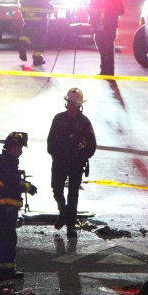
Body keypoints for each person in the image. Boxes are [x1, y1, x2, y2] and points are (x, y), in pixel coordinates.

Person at [47, 88, 96, 239]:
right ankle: (63, 212)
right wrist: (56, 155)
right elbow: (50, 141)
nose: (72, 106)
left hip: (76, 163)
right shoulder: (58, 119)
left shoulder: (84, 122)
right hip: (60, 161)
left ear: (80, 105)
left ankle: (70, 225)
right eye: (70, 103)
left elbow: (92, 145)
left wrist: (82, 157)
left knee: (73, 194)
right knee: (56, 189)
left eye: (74, 103)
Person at [0, 132, 37, 282]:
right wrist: (28, 187)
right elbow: (12, 182)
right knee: (8, 239)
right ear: (12, 147)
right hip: (6, 207)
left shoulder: (3, 161)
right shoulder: (7, 163)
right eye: (19, 147)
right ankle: (7, 270)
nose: (21, 151)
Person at [88, 0, 124, 76]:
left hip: (109, 26)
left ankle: (110, 71)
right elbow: (91, 12)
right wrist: (92, 24)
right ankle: (103, 70)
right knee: (101, 47)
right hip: (98, 26)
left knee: (108, 47)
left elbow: (121, 10)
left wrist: (107, 10)